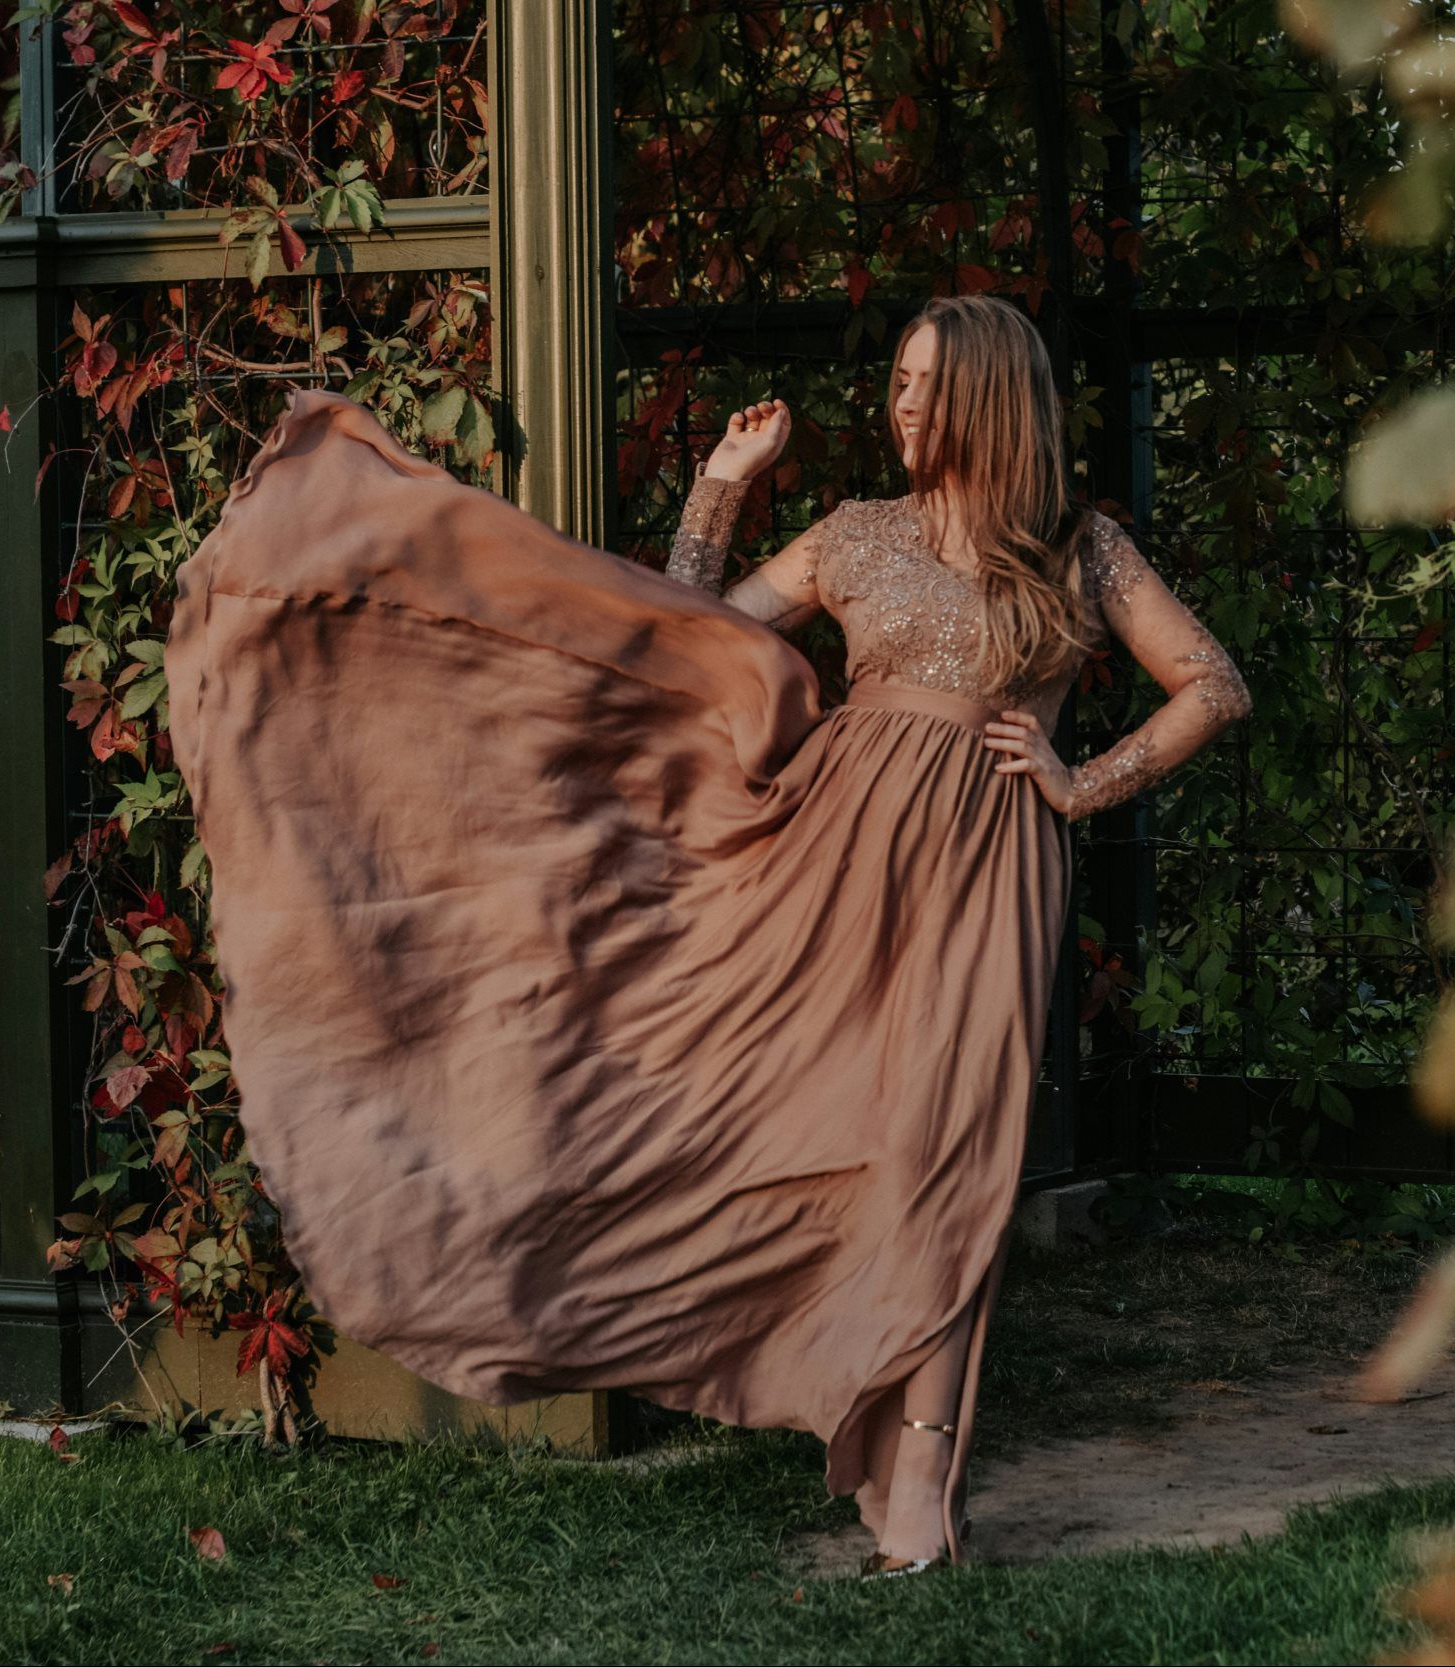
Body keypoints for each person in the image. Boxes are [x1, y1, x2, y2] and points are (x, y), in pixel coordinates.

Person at [161, 294, 1249, 1577]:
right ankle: (810, 1386)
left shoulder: (1080, 546)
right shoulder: (854, 534)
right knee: (802, 1130)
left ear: (986, 396)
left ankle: (921, 1481)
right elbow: (684, 641)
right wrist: (721, 486)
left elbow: (1214, 683)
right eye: (894, 381)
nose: (898, 405)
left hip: (990, 859)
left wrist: (1080, 782)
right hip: (829, 861)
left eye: (921, 383)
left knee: (951, 1154)